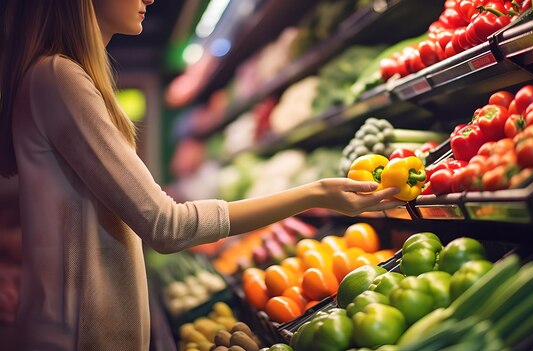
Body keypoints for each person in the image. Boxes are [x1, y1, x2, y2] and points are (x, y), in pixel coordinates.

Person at [0, 0, 403, 349]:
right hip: (76, 336)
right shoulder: (59, 77)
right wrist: (314, 193)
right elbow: (167, 225)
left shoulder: (55, 78)